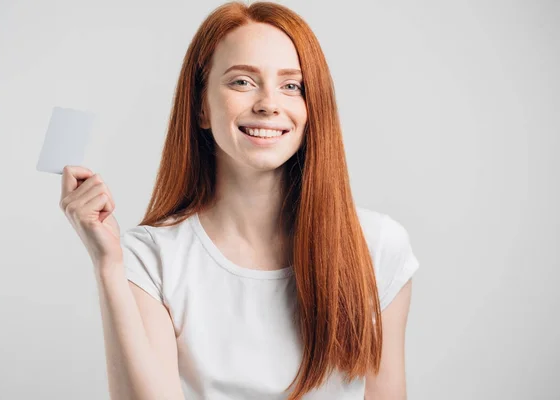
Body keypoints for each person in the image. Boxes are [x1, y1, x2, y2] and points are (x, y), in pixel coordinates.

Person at [60, 1, 420, 399]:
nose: (269, 103)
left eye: (291, 86)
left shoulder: (378, 247)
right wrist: (109, 265)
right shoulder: (150, 257)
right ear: (201, 107)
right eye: (242, 82)